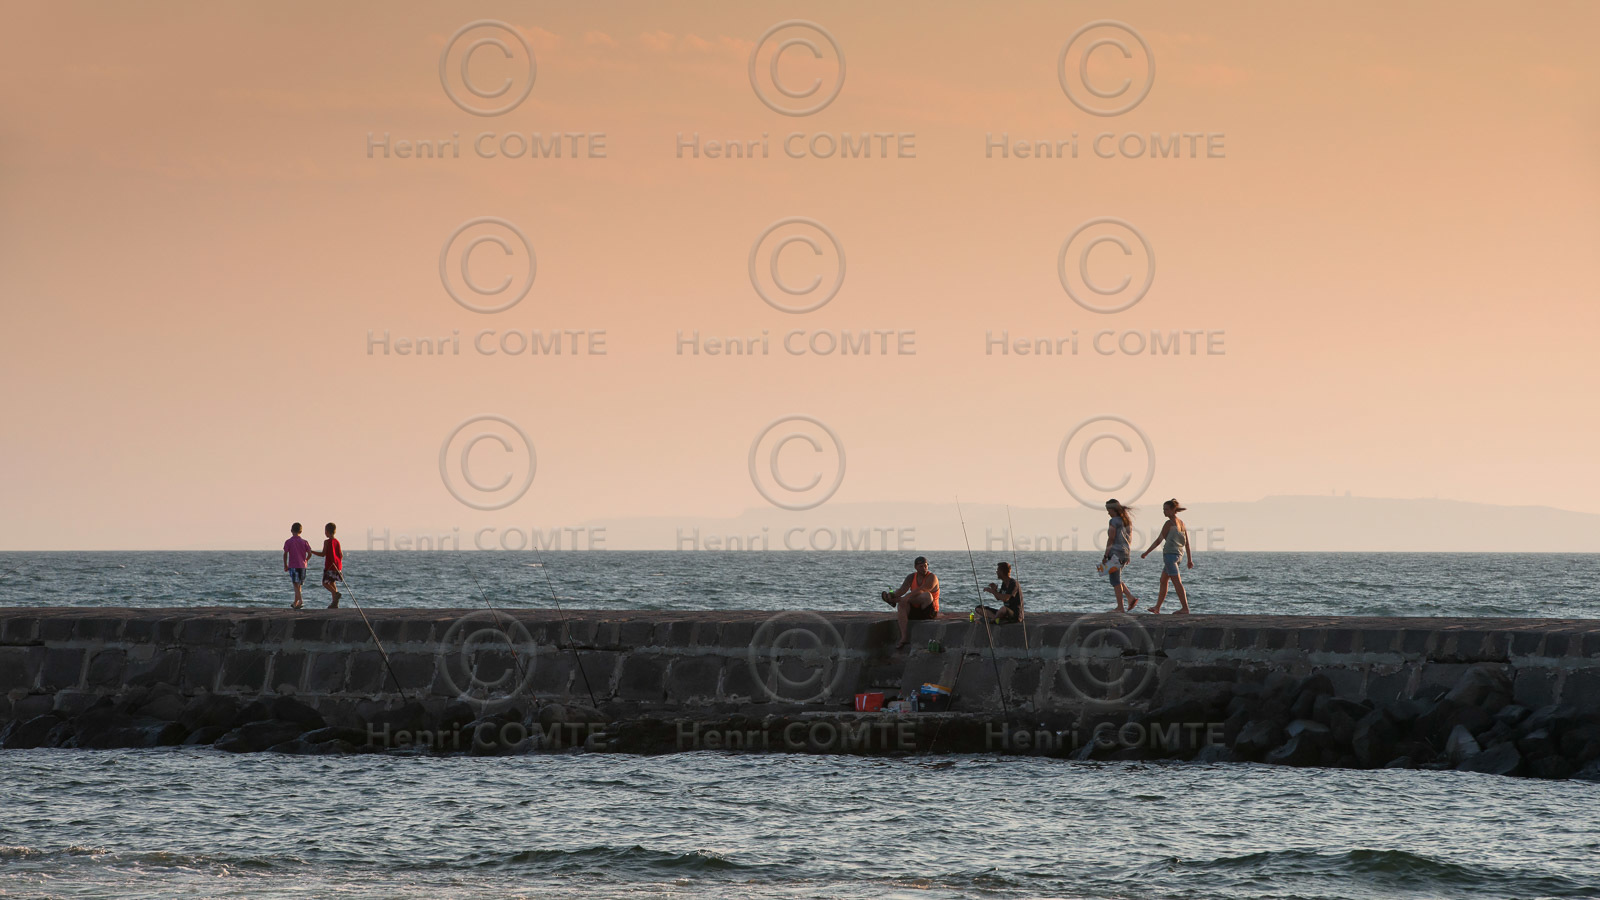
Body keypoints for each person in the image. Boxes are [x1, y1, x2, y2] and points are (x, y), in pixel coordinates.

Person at [1140, 498, 1194, 614]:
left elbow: (1158, 541)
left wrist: (1146, 552)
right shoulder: (1181, 523)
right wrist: (1189, 560)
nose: (1164, 512)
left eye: (1166, 509)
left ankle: (1185, 608)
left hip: (1170, 557)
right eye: (1163, 509)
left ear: (1173, 510)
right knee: (1163, 580)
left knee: (1176, 582)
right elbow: (1187, 544)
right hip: (1179, 556)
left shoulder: (1169, 524)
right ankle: (1157, 607)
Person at [879, 556, 940, 648]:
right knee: (902, 604)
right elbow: (902, 590)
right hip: (915, 610)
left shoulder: (932, 577)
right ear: (915, 567)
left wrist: (905, 597)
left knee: (926, 595)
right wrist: (892, 595)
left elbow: (922, 589)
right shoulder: (911, 577)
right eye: (921, 566)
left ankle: (895, 601)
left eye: (926, 566)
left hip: (929, 611)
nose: (924, 568)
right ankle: (904, 637)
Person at [1100, 499, 1141, 612]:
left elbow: (1111, 538)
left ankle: (1120, 607)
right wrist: (1128, 554)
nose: (1108, 512)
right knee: (1116, 578)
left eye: (1109, 510)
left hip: (1115, 552)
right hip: (1124, 553)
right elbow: (1129, 539)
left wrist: (1105, 555)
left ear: (1114, 510)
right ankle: (1130, 598)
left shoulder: (1113, 521)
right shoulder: (1127, 521)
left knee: (1115, 581)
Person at [308, 522, 343, 609]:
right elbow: (341, 555)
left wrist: (312, 552)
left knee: (325, 583)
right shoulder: (337, 541)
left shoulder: (327, 542)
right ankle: (335, 603)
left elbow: (323, 554)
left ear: (327, 531)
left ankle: (335, 594)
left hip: (329, 566)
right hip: (337, 566)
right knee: (332, 583)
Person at [282, 523, 312, 610]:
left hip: (293, 565)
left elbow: (285, 554)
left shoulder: (288, 542)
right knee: (299, 585)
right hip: (302, 566)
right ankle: (295, 602)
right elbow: (310, 553)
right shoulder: (304, 542)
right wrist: (306, 560)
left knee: (295, 584)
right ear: (301, 531)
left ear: (291, 531)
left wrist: (285, 564)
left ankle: (301, 600)